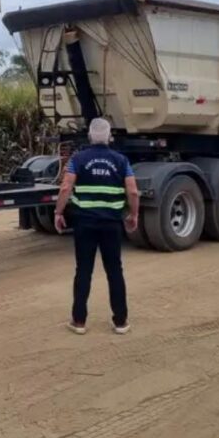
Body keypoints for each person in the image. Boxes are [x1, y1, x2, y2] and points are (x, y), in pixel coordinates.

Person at [53, 118, 139, 335]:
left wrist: (58, 212)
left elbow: (66, 187)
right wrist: (133, 214)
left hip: (84, 223)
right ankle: (121, 322)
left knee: (83, 271)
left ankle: (79, 322)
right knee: (114, 272)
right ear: (109, 136)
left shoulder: (78, 159)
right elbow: (133, 191)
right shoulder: (121, 161)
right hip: (111, 224)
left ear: (90, 136)